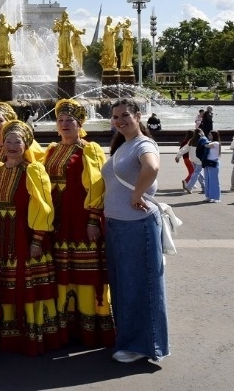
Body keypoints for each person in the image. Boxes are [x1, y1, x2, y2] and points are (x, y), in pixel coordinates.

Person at [42, 99, 114, 347]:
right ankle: (66, 326)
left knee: (85, 274)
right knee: (63, 272)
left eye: (69, 121)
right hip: (58, 221)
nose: (64, 125)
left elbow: (97, 186)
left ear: (80, 124)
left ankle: (91, 327)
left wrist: (93, 219)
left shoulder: (89, 150)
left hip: (81, 220)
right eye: (60, 121)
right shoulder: (52, 150)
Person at [102, 97, 168, 363]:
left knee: (141, 285)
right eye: (115, 116)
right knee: (123, 285)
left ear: (138, 116)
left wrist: (137, 194)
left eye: (125, 115)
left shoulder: (143, 144)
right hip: (117, 225)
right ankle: (128, 339)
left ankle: (145, 346)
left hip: (136, 224)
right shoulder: (123, 145)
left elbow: (152, 167)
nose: (119, 120)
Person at [0, 120, 61, 355]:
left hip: (24, 235)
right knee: (5, 283)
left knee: (27, 284)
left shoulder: (33, 170)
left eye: (16, 142)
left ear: (26, 144)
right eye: (7, 141)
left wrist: (37, 239)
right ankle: (8, 335)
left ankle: (31, 335)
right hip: (2, 236)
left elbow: (44, 206)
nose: (11, 146)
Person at [204, 131, 222, 203]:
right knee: (207, 180)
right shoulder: (210, 142)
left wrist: (202, 138)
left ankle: (216, 197)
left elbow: (206, 145)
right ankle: (208, 196)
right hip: (208, 162)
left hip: (213, 162)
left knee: (214, 181)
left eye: (210, 135)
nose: (208, 136)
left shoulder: (216, 143)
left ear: (214, 136)